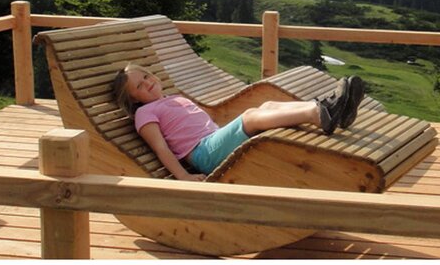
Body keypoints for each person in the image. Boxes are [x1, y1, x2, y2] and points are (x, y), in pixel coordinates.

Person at [113, 63, 366, 181]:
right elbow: (160, 148)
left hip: (214, 140)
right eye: (139, 86)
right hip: (204, 154)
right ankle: (321, 114)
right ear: (133, 99)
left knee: (267, 106)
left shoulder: (172, 98)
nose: (147, 83)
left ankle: (329, 108)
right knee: (250, 117)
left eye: (146, 77)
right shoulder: (145, 114)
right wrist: (182, 176)